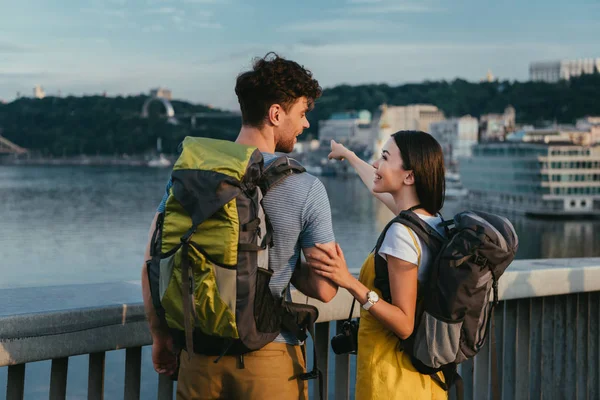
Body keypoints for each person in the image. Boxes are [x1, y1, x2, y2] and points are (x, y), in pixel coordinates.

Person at [141, 52, 339, 400]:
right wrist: (285, 261)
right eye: (303, 113)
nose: (306, 124)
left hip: (197, 354)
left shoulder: (193, 175)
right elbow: (324, 291)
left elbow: (154, 258)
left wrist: (160, 337)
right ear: (276, 114)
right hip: (269, 355)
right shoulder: (306, 187)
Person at [306, 132, 448, 400]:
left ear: (408, 176)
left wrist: (348, 281)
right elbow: (373, 183)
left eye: (384, 157)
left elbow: (404, 323)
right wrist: (348, 155)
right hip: (423, 380)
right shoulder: (431, 224)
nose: (376, 165)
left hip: (392, 381)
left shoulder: (402, 234)